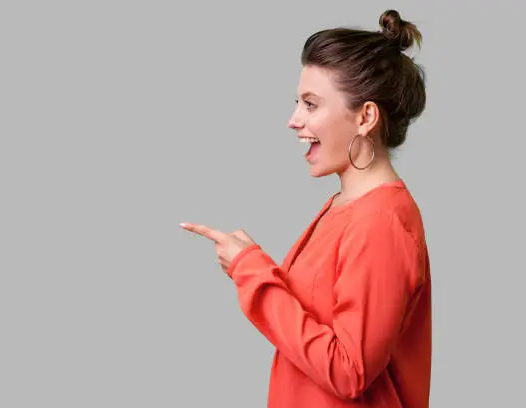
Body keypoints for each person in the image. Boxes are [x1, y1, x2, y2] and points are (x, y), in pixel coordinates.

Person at [181, 9, 431, 408]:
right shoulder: (345, 205)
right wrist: (250, 264)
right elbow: (315, 322)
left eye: (311, 105)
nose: (293, 120)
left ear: (366, 116)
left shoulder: (380, 222)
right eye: (298, 102)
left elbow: (348, 371)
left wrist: (251, 270)